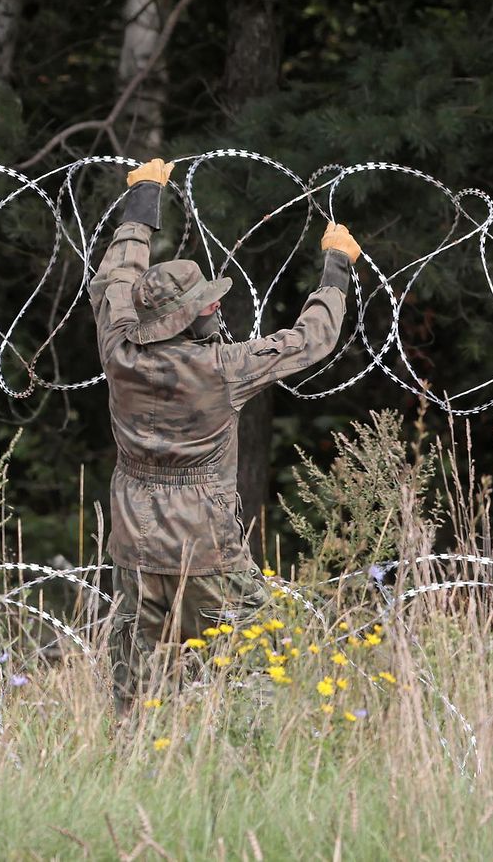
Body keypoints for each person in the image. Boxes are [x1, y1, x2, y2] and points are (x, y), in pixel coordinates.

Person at [88, 157, 360, 714]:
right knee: (258, 652)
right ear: (187, 318)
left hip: (133, 537)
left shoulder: (117, 346)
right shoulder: (223, 367)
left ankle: (134, 763)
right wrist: (336, 266)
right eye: (204, 303)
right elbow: (313, 338)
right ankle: (243, 750)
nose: (216, 304)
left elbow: (116, 275)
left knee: (138, 675)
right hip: (202, 541)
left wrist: (142, 200)